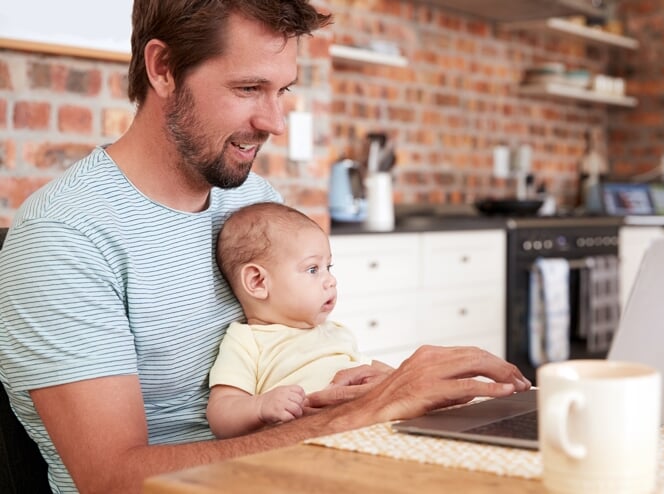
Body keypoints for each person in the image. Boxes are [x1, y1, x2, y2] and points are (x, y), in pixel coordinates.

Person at [0, 1, 530, 493]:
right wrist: (355, 418)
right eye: (249, 88)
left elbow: (289, 355)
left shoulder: (251, 199)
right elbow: (111, 478)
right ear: (162, 68)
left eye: (283, 91)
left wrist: (369, 388)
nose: (274, 122)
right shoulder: (67, 237)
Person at [207, 202, 393, 438]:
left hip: (366, 428)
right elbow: (221, 414)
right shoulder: (246, 341)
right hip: (306, 443)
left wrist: (397, 376)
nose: (331, 280)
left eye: (329, 267)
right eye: (313, 269)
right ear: (258, 282)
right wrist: (260, 407)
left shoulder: (336, 331)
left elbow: (371, 371)